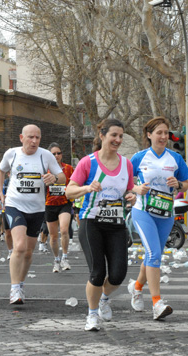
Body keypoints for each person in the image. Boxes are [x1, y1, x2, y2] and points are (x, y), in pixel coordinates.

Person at [66, 118, 136, 331]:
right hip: (91, 222)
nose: (117, 140)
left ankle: (104, 298)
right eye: (114, 135)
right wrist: (86, 188)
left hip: (116, 224)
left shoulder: (126, 164)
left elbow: (129, 190)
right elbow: (69, 191)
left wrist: (131, 196)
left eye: (121, 136)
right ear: (102, 135)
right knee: (97, 273)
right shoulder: (88, 162)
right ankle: (92, 313)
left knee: (118, 274)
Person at [126, 116, 188, 321]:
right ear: (149, 135)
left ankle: (136, 288)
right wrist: (137, 188)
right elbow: (125, 181)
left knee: (153, 254)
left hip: (165, 213)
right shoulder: (139, 157)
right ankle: (157, 303)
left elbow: (186, 182)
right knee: (154, 253)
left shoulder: (175, 158)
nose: (163, 137)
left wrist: (178, 185)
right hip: (143, 211)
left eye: (166, 133)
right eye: (159, 133)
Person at [0, 124, 65, 305]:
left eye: (37, 138)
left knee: (28, 252)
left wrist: (54, 178)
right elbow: (0, 170)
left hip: (37, 208)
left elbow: (62, 176)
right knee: (19, 246)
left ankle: (21, 283)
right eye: (30, 137)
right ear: (21, 138)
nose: (34, 141)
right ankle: (14, 287)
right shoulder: (12, 154)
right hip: (14, 204)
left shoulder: (46, 155)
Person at [44, 142, 75, 273]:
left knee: (63, 230)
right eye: (53, 154)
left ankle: (65, 257)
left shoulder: (68, 168)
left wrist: (73, 194)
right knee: (53, 236)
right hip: (49, 204)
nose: (56, 156)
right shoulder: (45, 170)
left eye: (59, 153)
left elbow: (74, 183)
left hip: (64, 203)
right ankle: (56, 259)